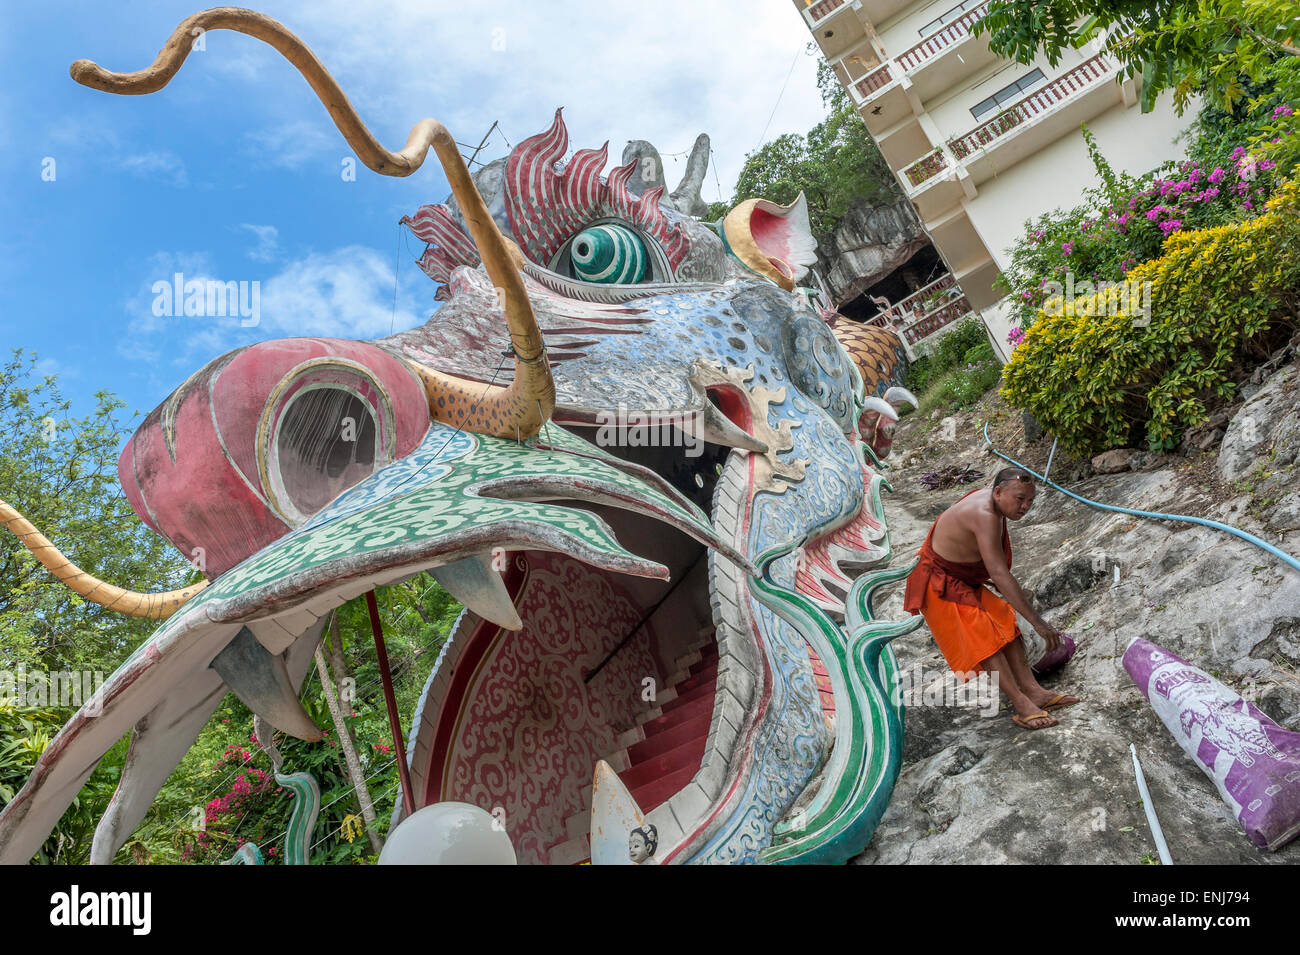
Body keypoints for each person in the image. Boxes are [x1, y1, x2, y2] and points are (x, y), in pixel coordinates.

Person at [903, 466, 1079, 730]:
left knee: (1005, 621)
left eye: (1030, 500)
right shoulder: (985, 514)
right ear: (997, 491)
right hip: (938, 582)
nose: (1025, 506)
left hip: (961, 578)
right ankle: (1020, 704)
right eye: (1020, 499)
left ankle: (1033, 691)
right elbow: (999, 572)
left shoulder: (994, 503)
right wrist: (1039, 624)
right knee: (984, 636)